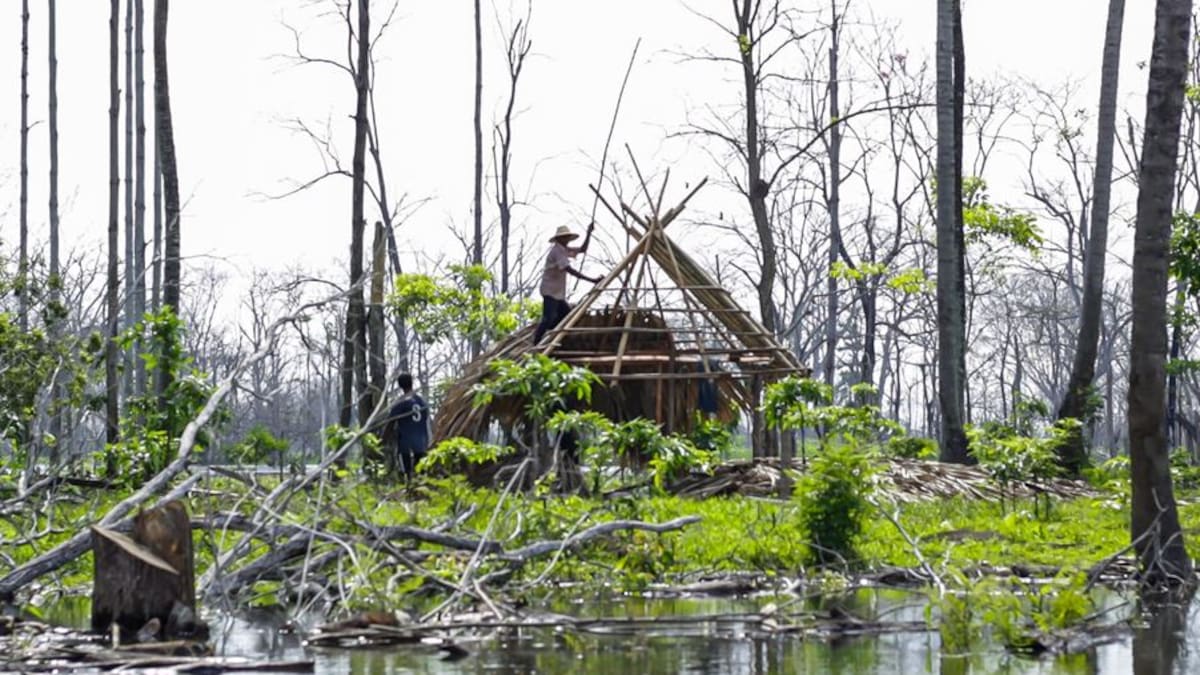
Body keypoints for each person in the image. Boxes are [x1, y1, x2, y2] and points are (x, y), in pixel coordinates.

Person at [534, 223, 602, 343]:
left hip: (558, 293)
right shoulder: (557, 251)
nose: (566, 240)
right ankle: (536, 341)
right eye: (564, 237)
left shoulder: (564, 250)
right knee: (548, 318)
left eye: (567, 237)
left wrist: (589, 233)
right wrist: (591, 280)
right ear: (559, 239)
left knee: (565, 315)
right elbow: (569, 270)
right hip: (550, 291)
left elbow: (582, 249)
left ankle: (551, 334)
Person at [388, 373, 430, 479]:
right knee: (419, 471)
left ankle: (409, 490)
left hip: (405, 444)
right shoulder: (421, 402)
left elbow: (390, 422)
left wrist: (382, 439)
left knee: (407, 473)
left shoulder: (400, 402)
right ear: (412, 382)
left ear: (400, 385)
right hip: (421, 442)